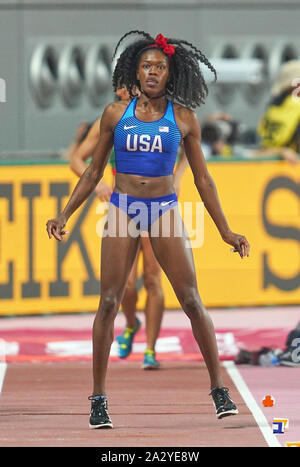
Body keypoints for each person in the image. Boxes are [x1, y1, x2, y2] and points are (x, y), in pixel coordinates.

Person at [46, 30, 250, 429]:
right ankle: (99, 399)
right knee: (109, 302)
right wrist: (65, 213)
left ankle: (218, 388)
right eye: (146, 66)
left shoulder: (184, 119)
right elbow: (92, 170)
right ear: (135, 72)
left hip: (163, 211)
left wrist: (226, 232)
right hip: (123, 209)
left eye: (160, 67)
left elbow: (204, 182)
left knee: (190, 299)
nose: (153, 72)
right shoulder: (113, 114)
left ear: (169, 74)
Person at [68, 84, 188, 370]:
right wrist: (98, 184)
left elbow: (187, 150)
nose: (132, 90)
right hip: (125, 204)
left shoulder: (164, 113)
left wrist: (179, 177)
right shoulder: (112, 117)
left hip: (159, 203)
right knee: (126, 285)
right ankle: (132, 322)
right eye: (125, 86)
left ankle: (150, 349)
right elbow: (76, 159)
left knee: (153, 278)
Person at [254, 60, 300, 164]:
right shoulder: (294, 106)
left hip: (267, 165)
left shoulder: (273, 107)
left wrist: (279, 152)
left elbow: (260, 150)